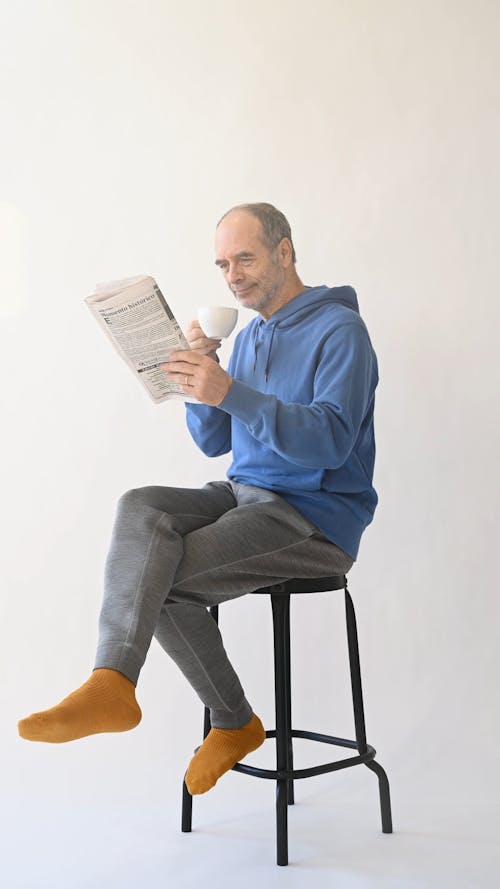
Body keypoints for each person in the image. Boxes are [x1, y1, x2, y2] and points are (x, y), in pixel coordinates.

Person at [18, 202, 379, 796]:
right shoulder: (251, 335)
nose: (233, 275)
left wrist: (232, 392)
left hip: (314, 518)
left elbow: (331, 442)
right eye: (222, 264)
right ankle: (112, 681)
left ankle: (231, 721)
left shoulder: (340, 331)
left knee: (154, 577)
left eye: (245, 258)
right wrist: (199, 378)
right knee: (141, 506)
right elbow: (215, 441)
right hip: (246, 495)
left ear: (284, 251)